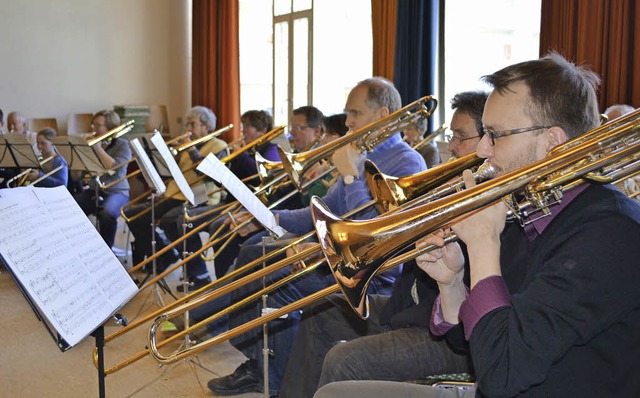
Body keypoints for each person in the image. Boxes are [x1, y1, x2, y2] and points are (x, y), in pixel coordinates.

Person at [315, 54, 640, 398]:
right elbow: (475, 343)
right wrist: (453, 284)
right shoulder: (531, 208)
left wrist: (484, 246)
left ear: (552, 141)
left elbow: (502, 372)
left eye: (496, 135)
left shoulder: (609, 235)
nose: (483, 150)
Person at [206, 77, 428, 397]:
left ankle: (278, 378)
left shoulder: (407, 162)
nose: (348, 121)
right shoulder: (359, 153)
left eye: (355, 113)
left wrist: (351, 176)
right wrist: (267, 219)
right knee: (256, 251)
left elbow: (369, 238)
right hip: (338, 257)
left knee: (279, 280)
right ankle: (257, 360)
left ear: (382, 114)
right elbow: (321, 211)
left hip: (370, 275)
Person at [278, 91, 488, 398]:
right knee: (319, 311)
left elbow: (384, 241)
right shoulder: (447, 183)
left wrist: (351, 178)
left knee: (343, 360)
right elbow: (355, 226)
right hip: (409, 303)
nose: (452, 146)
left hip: (444, 328)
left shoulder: (414, 164)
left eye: (461, 136)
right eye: (451, 135)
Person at [162, 109, 281, 287]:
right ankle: (201, 275)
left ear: (262, 131)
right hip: (232, 202)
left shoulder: (270, 150)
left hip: (250, 206)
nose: (242, 132)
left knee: (211, 225)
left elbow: (261, 176)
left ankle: (221, 283)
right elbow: (221, 180)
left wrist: (239, 154)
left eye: (247, 128)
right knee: (184, 220)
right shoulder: (249, 150)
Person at [124, 106, 228, 277]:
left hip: (202, 198)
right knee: (133, 214)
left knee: (170, 220)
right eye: (187, 125)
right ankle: (165, 253)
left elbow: (210, 175)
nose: (188, 129)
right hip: (177, 194)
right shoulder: (188, 147)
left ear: (206, 127)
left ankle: (198, 272)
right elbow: (172, 173)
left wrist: (191, 150)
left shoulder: (219, 146)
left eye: (192, 125)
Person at [74, 110, 132, 250]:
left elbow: (116, 169)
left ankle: (107, 250)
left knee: (107, 213)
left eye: (98, 125)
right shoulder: (92, 144)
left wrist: (98, 149)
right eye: (93, 125)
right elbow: (76, 177)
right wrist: (78, 156)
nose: (94, 129)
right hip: (95, 189)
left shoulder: (123, 145)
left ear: (110, 128)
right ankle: (81, 247)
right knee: (73, 207)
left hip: (117, 191)